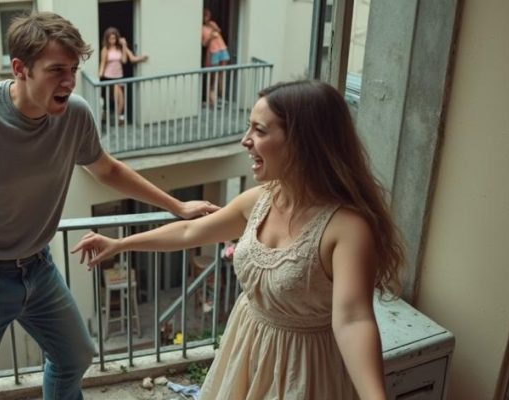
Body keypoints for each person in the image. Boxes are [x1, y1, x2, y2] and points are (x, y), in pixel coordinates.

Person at [0, 12, 219, 400]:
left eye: (73, 69)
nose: (69, 81)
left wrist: (177, 206)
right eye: (56, 70)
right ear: (20, 69)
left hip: (36, 267)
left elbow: (107, 169)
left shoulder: (75, 115)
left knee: (75, 356)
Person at [73, 80, 404, 399]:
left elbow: (353, 319)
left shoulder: (346, 228)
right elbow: (189, 231)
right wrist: (120, 244)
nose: (245, 140)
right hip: (246, 350)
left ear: (303, 141)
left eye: (259, 131)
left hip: (304, 369)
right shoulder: (260, 200)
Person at [98, 27, 148, 125]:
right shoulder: (105, 49)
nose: (112, 40)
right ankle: (116, 119)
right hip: (109, 78)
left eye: (114, 38)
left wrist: (125, 45)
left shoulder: (120, 48)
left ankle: (117, 118)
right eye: (110, 38)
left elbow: (126, 60)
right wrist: (99, 79)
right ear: (107, 39)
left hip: (119, 77)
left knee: (119, 99)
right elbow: (102, 65)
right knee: (117, 99)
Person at [201, 8, 230, 107]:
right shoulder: (201, 28)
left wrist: (213, 27)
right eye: (205, 16)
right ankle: (211, 98)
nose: (207, 18)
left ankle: (221, 97)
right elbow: (204, 44)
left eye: (208, 16)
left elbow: (219, 31)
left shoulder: (212, 23)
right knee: (213, 75)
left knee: (222, 74)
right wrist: (210, 37)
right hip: (213, 51)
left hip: (222, 49)